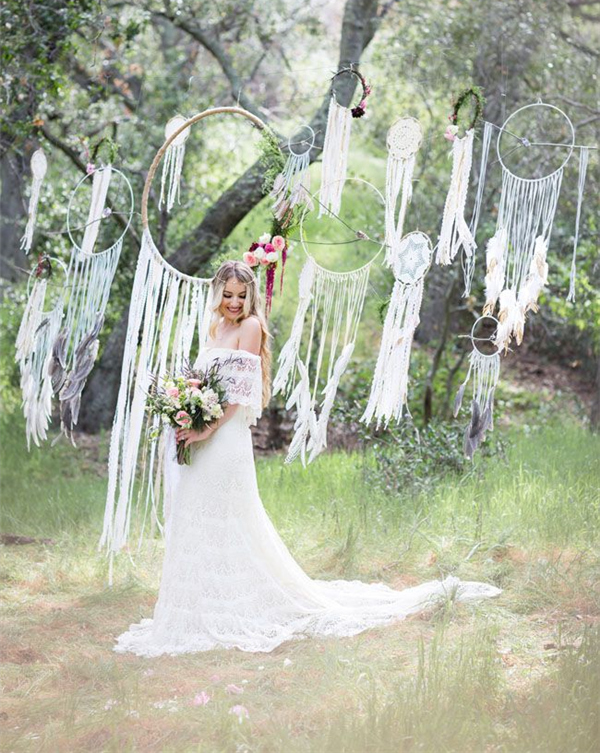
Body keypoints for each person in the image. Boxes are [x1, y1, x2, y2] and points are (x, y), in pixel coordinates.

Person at [114, 260, 501, 656]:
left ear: (251, 298)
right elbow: (206, 383)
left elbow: (238, 391)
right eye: (227, 295)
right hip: (202, 437)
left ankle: (236, 604)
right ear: (217, 294)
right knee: (198, 513)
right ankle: (200, 602)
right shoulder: (217, 328)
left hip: (224, 438)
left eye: (241, 295)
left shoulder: (249, 328)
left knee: (228, 516)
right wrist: (185, 409)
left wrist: (207, 428)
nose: (234, 302)